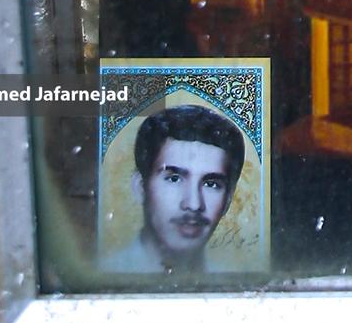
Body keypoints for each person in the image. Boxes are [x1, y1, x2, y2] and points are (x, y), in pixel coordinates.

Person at [103, 104, 246, 276]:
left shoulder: (237, 283)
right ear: (140, 187)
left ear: (228, 199)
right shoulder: (101, 278)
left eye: (211, 184)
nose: (193, 204)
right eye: (174, 179)